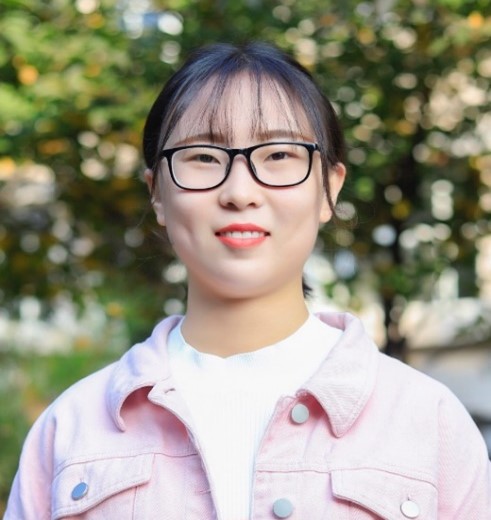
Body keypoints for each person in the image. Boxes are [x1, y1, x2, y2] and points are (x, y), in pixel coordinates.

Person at [5, 41, 490, 520]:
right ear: (157, 194)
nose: (240, 192)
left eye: (278, 155)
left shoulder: (429, 421)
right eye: (203, 157)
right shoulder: (71, 428)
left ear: (329, 188)